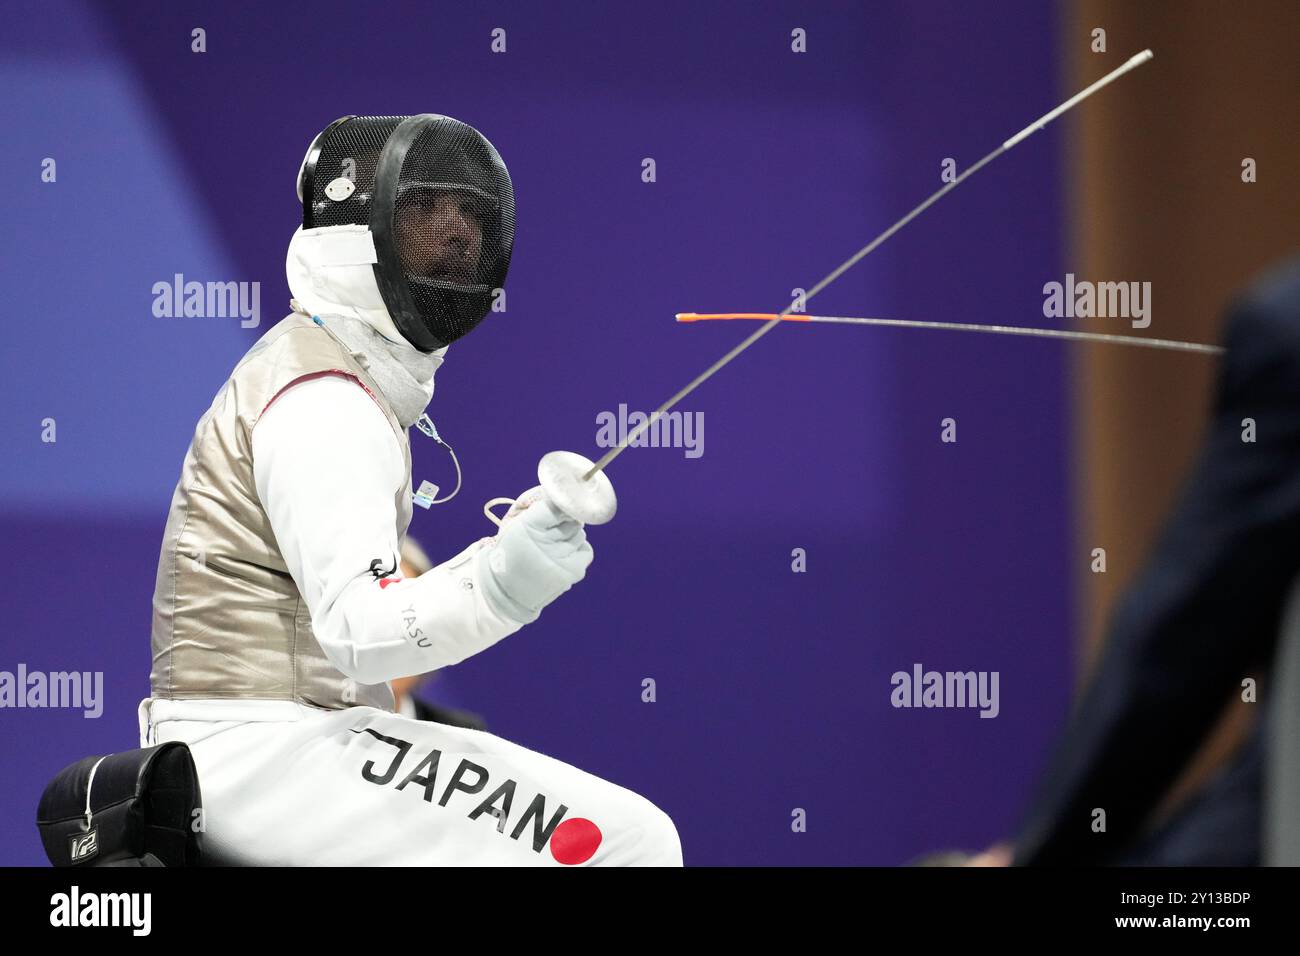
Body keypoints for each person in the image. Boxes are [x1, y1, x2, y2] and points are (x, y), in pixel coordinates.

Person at [138, 114, 682, 866]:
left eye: (470, 214)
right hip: (260, 754)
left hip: (292, 740)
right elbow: (361, 635)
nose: (460, 234)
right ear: (355, 233)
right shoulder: (321, 396)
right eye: (429, 209)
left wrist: (508, 559)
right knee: (627, 843)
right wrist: (504, 577)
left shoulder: (330, 375)